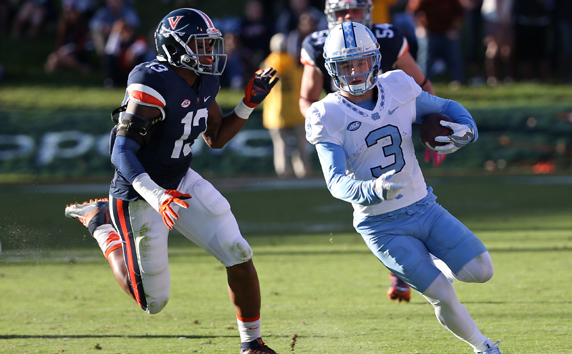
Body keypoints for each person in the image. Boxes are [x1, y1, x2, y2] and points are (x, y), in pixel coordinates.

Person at [64, 8, 278, 354]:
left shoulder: (206, 79)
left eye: (212, 45)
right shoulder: (151, 80)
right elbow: (121, 152)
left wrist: (248, 103)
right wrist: (157, 195)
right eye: (202, 45)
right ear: (176, 48)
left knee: (237, 251)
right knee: (153, 301)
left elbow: (216, 137)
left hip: (180, 178)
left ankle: (251, 343)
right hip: (139, 191)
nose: (212, 53)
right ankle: (101, 225)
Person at [305, 21, 502, 354]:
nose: (354, 72)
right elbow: (336, 182)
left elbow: (445, 107)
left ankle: (435, 261)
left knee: (482, 270)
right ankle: (483, 347)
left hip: (424, 206)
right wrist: (373, 189)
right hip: (381, 225)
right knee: (441, 293)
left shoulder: (397, 86)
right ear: (331, 68)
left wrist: (467, 128)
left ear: (375, 60)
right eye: (345, 65)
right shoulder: (327, 113)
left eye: (361, 62)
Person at [300, 0, 442, 303]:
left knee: (406, 191)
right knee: (368, 200)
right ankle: (406, 263)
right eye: (340, 12)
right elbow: (307, 98)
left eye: (353, 10)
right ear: (330, 16)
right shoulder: (316, 44)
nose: (348, 17)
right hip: (346, 131)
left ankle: (411, 265)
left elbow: (419, 82)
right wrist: (322, 127)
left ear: (368, 12)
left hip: (389, 126)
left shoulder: (388, 37)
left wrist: (434, 123)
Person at [262, 33, 313, 179]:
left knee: (280, 146)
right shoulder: (295, 64)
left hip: (275, 113)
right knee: (301, 146)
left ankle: (284, 173)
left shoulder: (266, 66)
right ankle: (304, 172)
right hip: (296, 111)